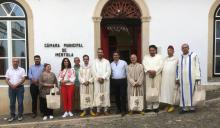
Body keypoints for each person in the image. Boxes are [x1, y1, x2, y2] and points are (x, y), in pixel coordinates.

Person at [176, 43, 201, 113]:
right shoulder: (180, 57)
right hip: (182, 79)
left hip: (192, 78)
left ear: (188, 48)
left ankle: (192, 107)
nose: (184, 49)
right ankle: (185, 108)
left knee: (192, 92)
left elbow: (197, 66)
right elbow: (178, 68)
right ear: (181, 49)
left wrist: (198, 77)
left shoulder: (193, 55)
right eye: (183, 48)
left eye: (185, 47)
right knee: (183, 93)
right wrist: (177, 78)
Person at [143, 45, 163, 113]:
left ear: (155, 50)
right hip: (148, 75)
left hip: (157, 75)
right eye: (150, 50)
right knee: (149, 90)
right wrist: (149, 71)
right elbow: (144, 64)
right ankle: (149, 106)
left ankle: (156, 106)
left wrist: (155, 72)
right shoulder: (146, 57)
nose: (151, 52)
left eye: (153, 50)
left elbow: (161, 65)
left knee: (157, 90)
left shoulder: (159, 57)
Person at [92, 48, 111, 116]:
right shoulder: (94, 62)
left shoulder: (107, 61)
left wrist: (103, 77)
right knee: (97, 94)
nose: (100, 53)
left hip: (105, 81)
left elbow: (108, 71)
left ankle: (105, 110)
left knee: (105, 94)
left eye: (101, 52)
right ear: (97, 53)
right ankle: (98, 110)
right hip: (97, 81)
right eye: (99, 52)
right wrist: (98, 78)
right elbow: (93, 71)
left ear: (103, 53)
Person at [160, 45, 178, 112]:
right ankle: (167, 105)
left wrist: (177, 78)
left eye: (170, 50)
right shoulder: (165, 59)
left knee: (172, 91)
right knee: (166, 92)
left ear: (173, 51)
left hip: (172, 79)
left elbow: (178, 69)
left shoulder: (176, 59)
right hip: (165, 78)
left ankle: (172, 105)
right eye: (168, 51)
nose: (169, 52)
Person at [110, 51, 127, 116]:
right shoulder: (111, 64)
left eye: (116, 55)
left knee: (123, 96)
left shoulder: (123, 62)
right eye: (114, 55)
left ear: (119, 56)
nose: (115, 56)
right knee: (116, 96)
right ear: (113, 56)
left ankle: (123, 110)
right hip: (114, 81)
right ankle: (119, 109)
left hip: (122, 80)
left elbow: (127, 71)